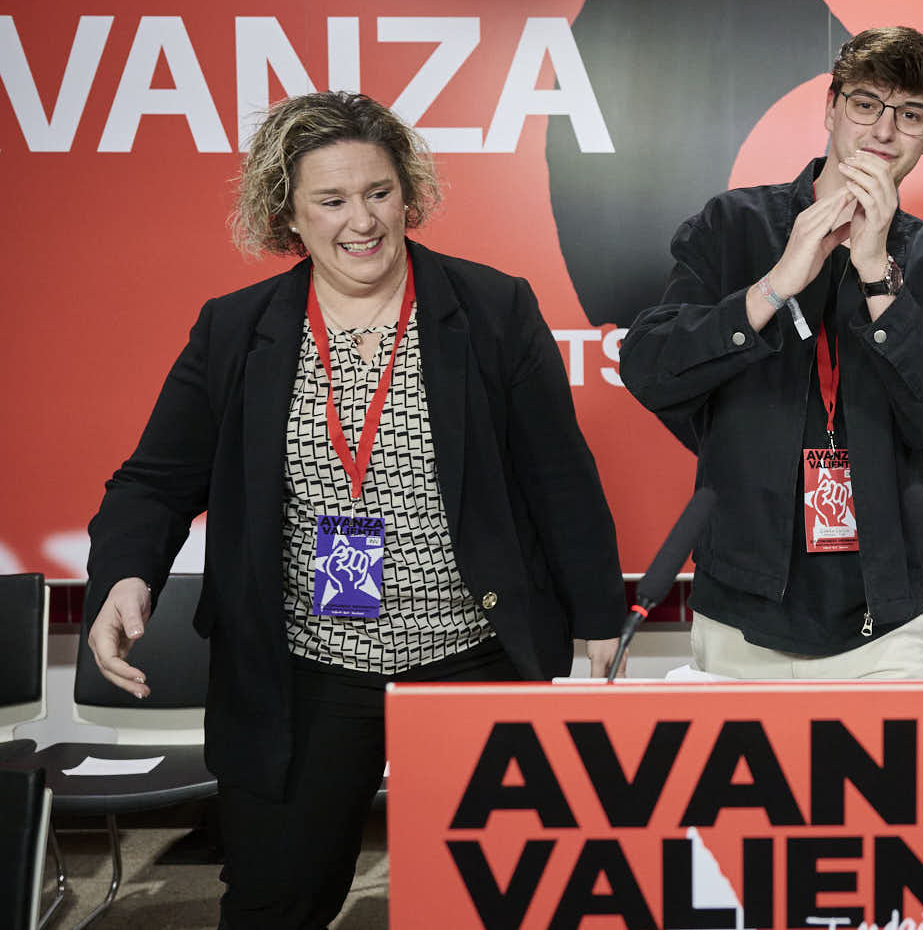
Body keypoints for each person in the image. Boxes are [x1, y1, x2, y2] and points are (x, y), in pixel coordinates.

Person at [83, 91, 626, 928]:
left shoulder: (492, 310)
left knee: (501, 905)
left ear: (408, 193)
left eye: (378, 192)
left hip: (469, 656)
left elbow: (560, 477)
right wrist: (123, 576)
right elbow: (153, 481)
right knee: (275, 902)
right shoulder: (236, 330)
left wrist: (597, 622)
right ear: (288, 216)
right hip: (305, 668)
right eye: (331, 200)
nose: (361, 220)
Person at [619, 27, 923, 679]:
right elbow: (648, 367)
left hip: (883, 620)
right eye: (867, 104)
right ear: (832, 107)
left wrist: (877, 279)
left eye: (912, 115)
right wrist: (774, 285)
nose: (885, 130)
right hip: (741, 610)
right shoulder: (733, 226)